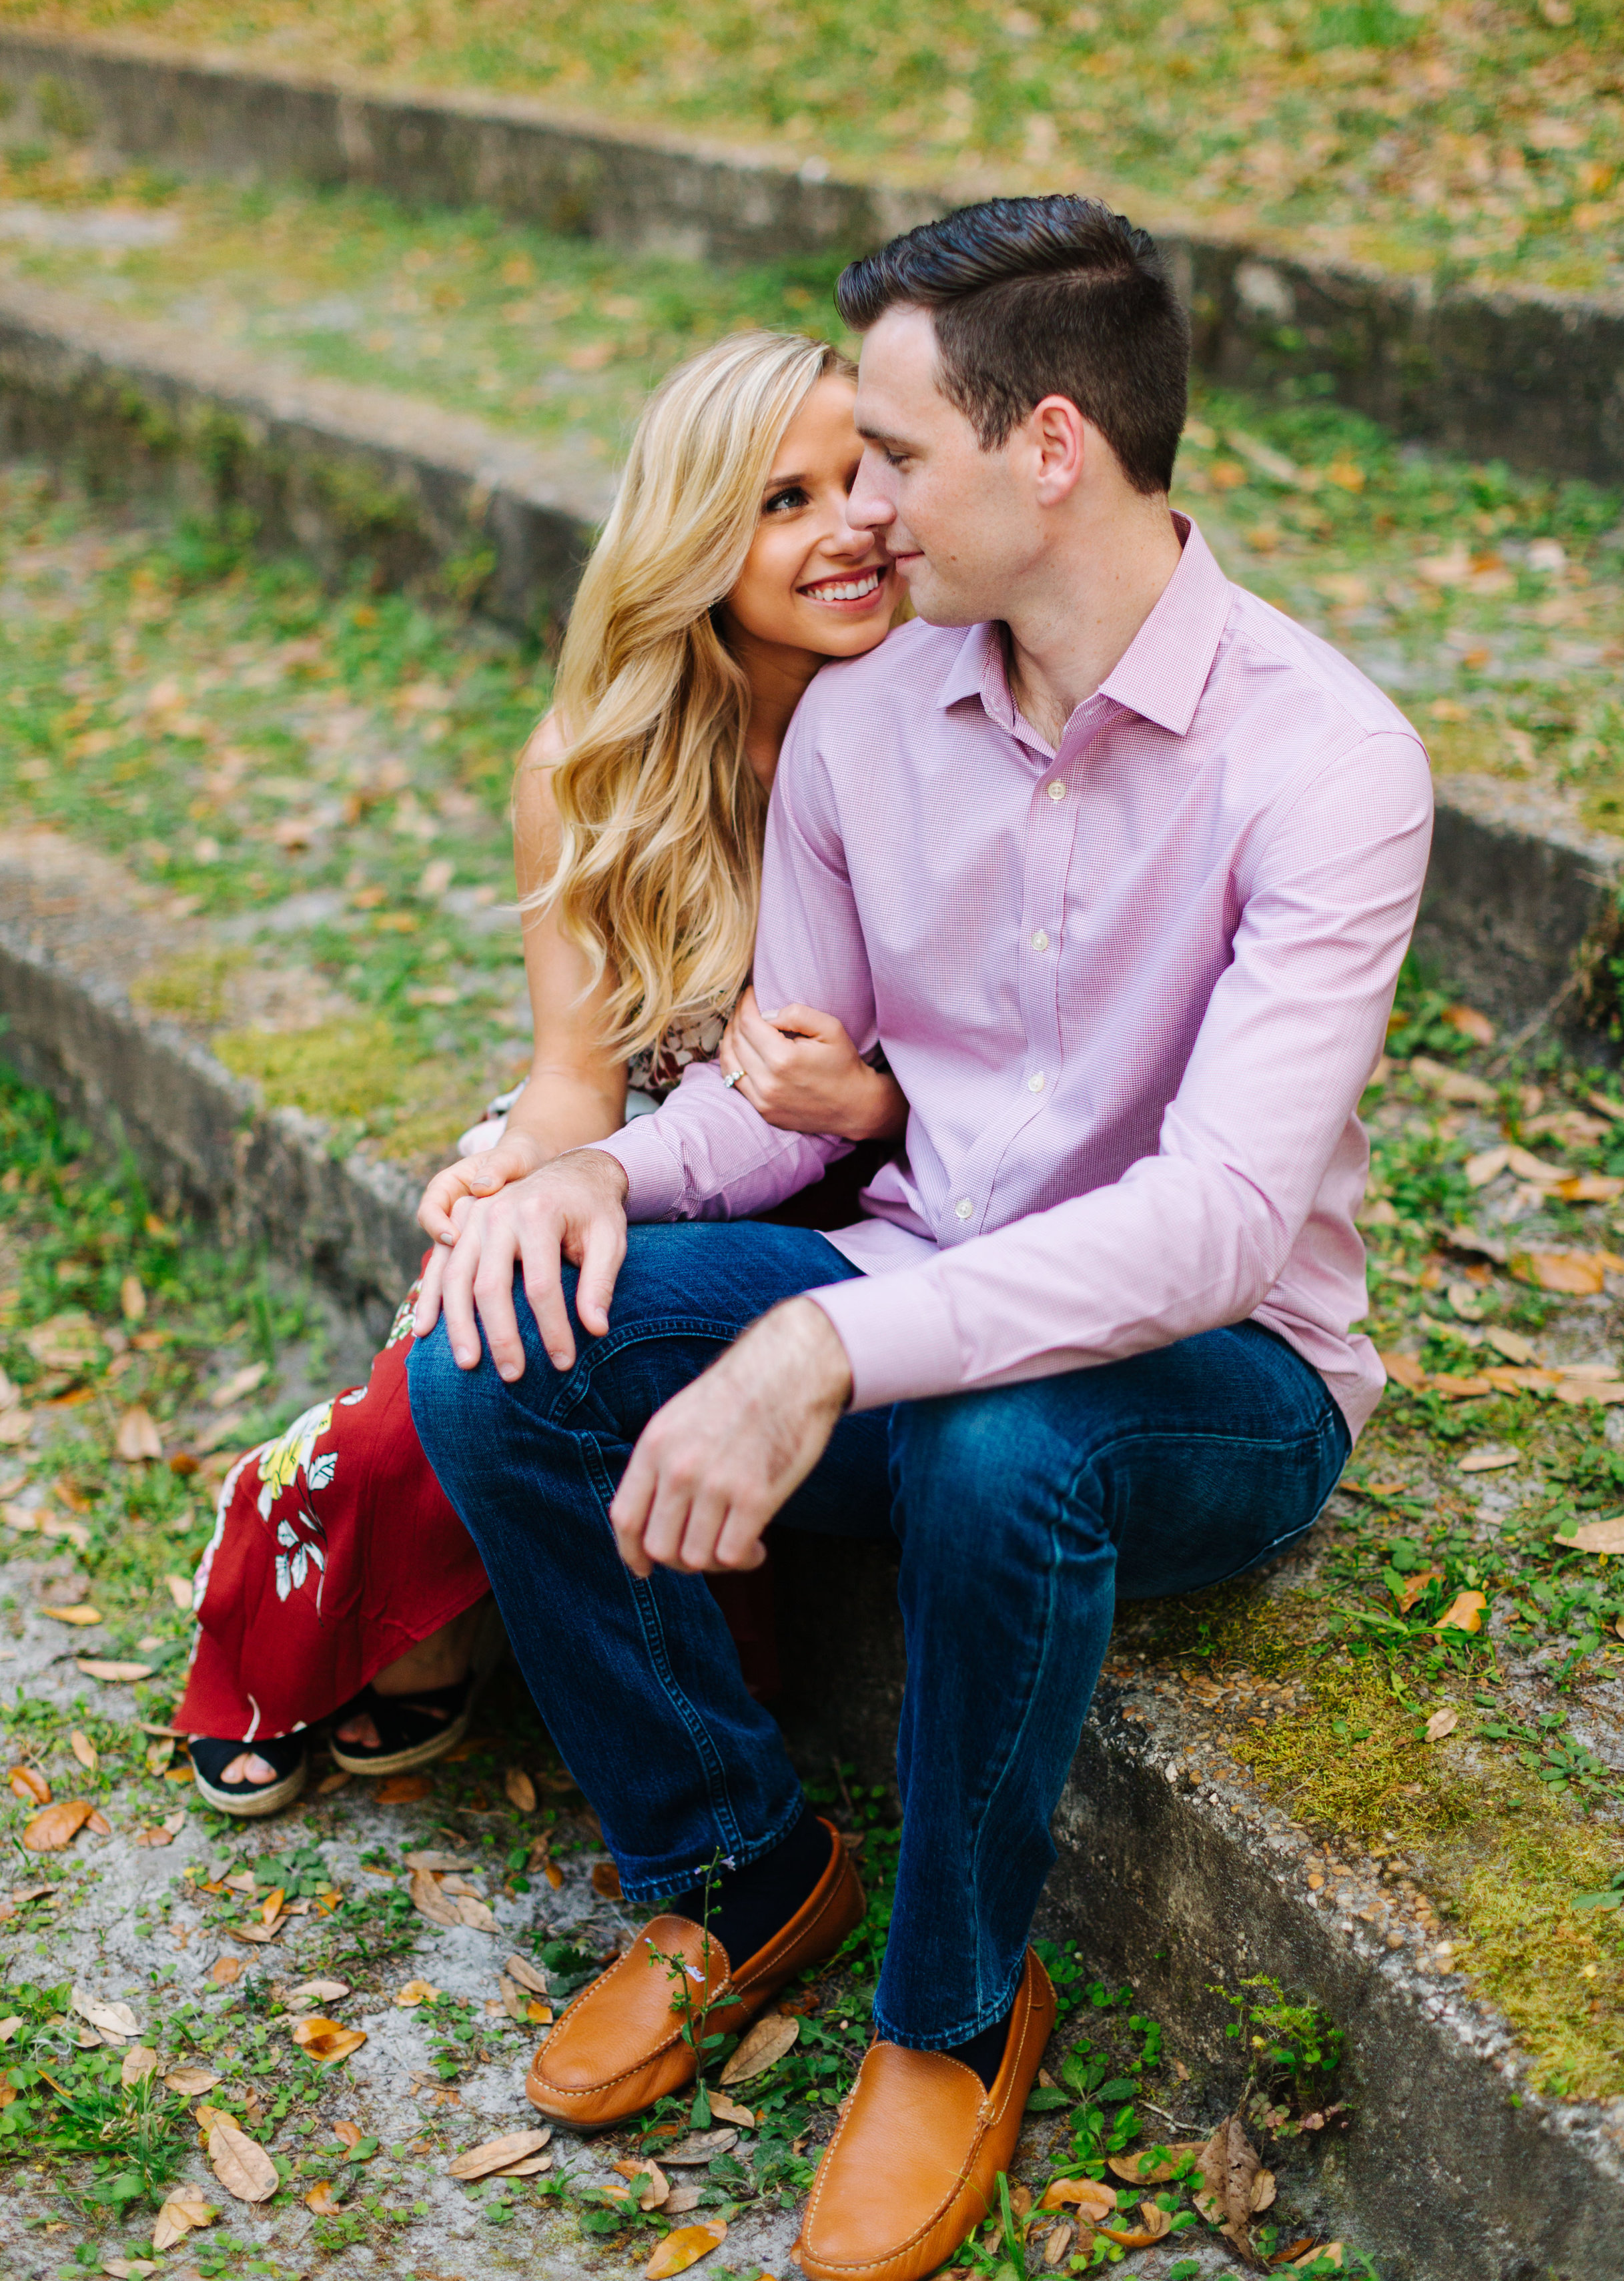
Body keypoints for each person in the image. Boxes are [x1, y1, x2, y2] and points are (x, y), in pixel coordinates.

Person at [406, 193, 1433, 2281]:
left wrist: (823, 1353)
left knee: (1004, 1438)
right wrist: (590, 1172)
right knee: (497, 1344)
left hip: (1213, 1385)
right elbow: (774, 1099)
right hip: (896, 1286)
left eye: (888, 450)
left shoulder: (1326, 765)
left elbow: (1222, 1222)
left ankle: (956, 2007)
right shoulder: (876, 720)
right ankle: (735, 1856)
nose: (860, 507)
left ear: (1045, 448)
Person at [174, 329, 909, 1816]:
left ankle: (453, 1606)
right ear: (700, 534)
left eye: (864, 478)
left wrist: (878, 1104)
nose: (848, 528)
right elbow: (579, 1068)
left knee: (557, 1331)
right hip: (654, 1149)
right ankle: (354, 1577)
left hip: (886, 1179)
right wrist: (521, 1171)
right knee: (488, 1316)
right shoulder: (592, 762)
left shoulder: (946, 715)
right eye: (783, 501)